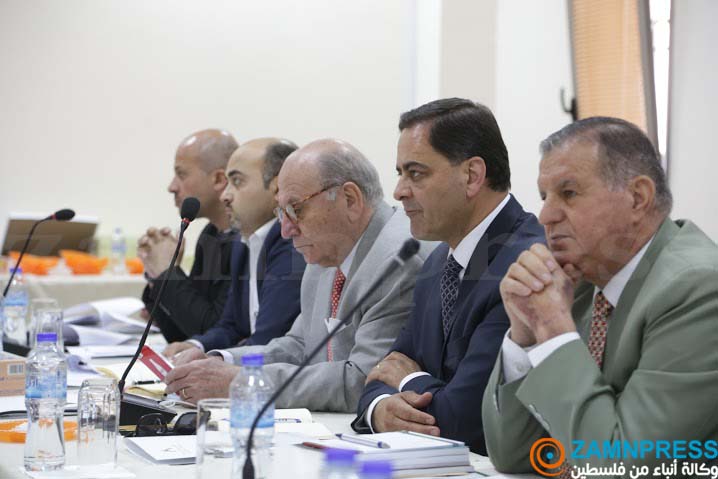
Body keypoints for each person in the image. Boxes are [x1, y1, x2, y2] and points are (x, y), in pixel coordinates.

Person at [482, 117, 718, 475]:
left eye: (569, 193)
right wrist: (525, 336)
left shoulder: (697, 288)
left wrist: (553, 330)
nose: (545, 215)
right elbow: (513, 455)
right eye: (545, 196)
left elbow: (620, 466)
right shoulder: (579, 283)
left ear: (638, 198)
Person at [164, 139, 436, 411]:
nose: (285, 230)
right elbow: (298, 345)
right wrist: (222, 362)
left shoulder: (397, 260)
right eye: (281, 212)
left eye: (296, 209)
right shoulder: (325, 252)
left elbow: (363, 380)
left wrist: (241, 382)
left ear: (350, 199)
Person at [351, 98, 544, 455]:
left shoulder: (525, 265)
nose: (399, 191)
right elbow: (382, 372)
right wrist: (380, 410)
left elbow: (467, 420)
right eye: (400, 173)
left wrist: (408, 379)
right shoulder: (438, 261)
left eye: (416, 173)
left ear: (472, 176)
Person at [163, 138, 306, 361]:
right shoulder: (243, 242)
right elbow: (231, 326)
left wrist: (217, 359)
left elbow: (269, 341)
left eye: (237, 182)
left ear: (277, 187)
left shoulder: (294, 246)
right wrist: (196, 345)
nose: (225, 196)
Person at [138, 129, 238, 343]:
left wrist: (167, 272)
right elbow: (182, 334)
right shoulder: (210, 235)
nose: (171, 187)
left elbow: (213, 331)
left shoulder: (245, 241)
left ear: (219, 179)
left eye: (181, 174)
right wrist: (157, 275)